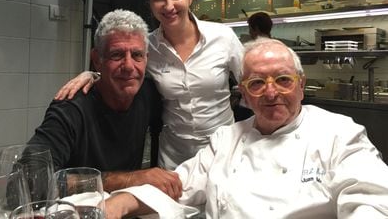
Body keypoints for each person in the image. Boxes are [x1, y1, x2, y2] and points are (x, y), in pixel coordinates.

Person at [103, 37, 388, 218]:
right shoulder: (227, 139)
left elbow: (372, 200)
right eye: (257, 84)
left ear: (301, 85)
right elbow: (180, 186)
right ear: (244, 94)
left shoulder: (339, 133)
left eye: (283, 80)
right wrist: (121, 203)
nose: (271, 92)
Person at [55, 0, 244, 170]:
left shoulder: (223, 37)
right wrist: (93, 73)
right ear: (150, 3)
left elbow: (254, 80)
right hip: (175, 159)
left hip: (224, 152)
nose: (169, 5)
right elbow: (125, 70)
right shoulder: (147, 47)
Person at [28, 9, 182, 197]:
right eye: (116, 55)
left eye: (137, 55)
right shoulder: (72, 108)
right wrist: (131, 179)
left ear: (146, 59)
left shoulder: (148, 94)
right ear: (96, 60)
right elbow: (29, 180)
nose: (128, 66)